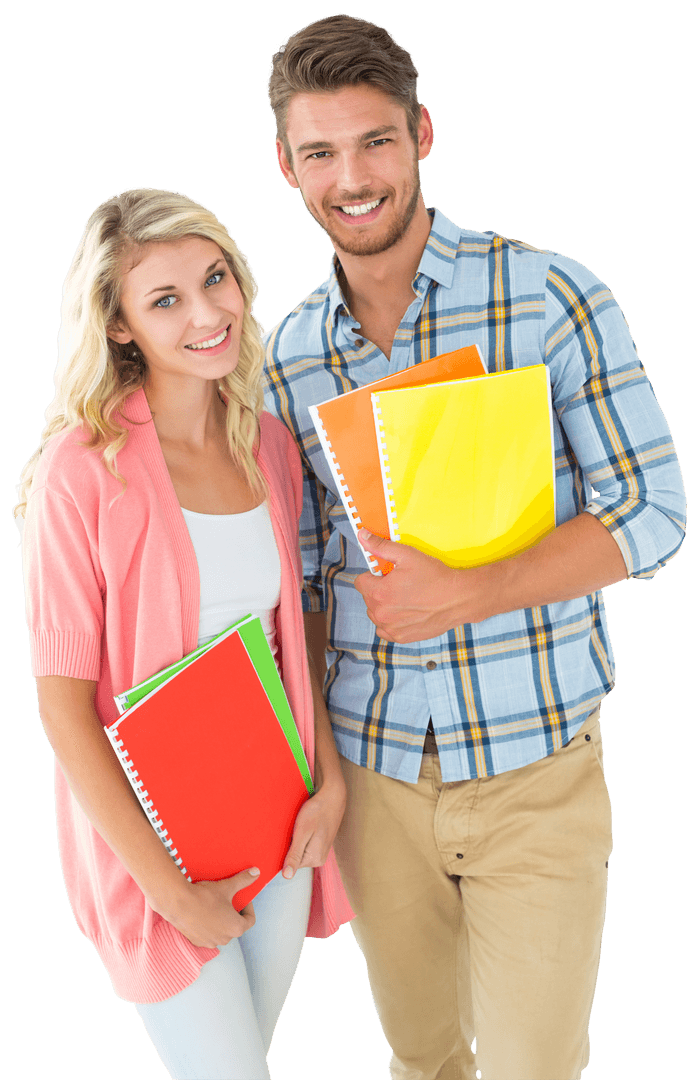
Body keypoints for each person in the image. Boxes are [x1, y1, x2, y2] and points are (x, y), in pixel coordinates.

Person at [263, 15, 687, 1080]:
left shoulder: (549, 295)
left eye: (375, 141)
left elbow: (654, 510)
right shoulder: (282, 360)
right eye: (320, 152)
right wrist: (317, 772)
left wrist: (477, 589)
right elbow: (301, 583)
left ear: (421, 135)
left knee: (536, 1065)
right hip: (373, 779)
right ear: (287, 166)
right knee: (421, 1058)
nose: (351, 178)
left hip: (536, 765)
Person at [14, 186, 352, 1080]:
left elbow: (294, 640)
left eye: (215, 279)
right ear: (118, 326)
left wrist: (327, 786)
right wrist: (169, 892)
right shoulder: (80, 471)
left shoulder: (268, 446)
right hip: (154, 850)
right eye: (164, 300)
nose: (207, 314)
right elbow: (62, 710)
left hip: (279, 823)